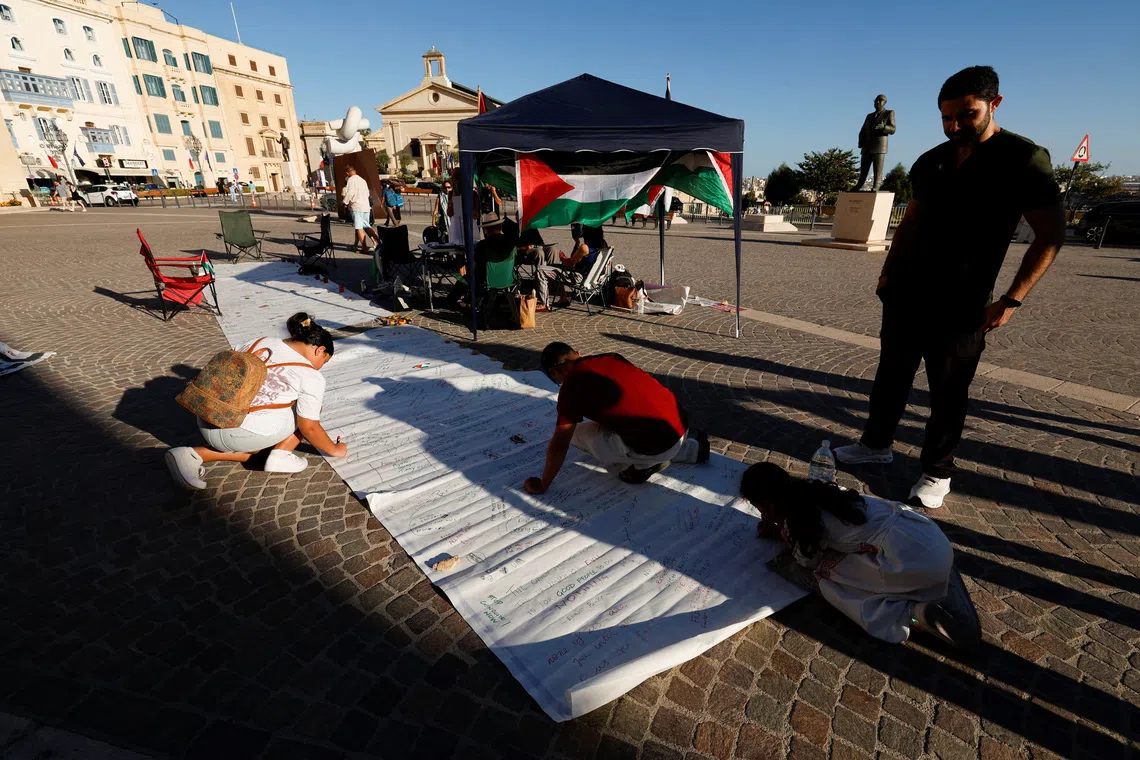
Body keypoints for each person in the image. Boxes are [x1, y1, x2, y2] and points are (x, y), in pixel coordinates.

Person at [833, 66, 1065, 509]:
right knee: (891, 376)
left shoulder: (1023, 158)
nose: (954, 125)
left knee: (948, 389)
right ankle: (876, 446)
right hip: (906, 292)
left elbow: (1051, 234)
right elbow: (912, 220)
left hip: (964, 302)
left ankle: (937, 471)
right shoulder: (932, 160)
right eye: (946, 117)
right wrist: (888, 273)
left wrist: (1012, 299)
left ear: (994, 105)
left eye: (966, 115)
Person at [740, 462, 979, 648]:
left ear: (769, 508)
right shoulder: (821, 491)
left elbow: (808, 559)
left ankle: (909, 614)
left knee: (827, 577)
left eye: (759, 509)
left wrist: (784, 535)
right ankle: (941, 588)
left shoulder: (801, 522)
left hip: (911, 563)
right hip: (930, 536)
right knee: (863, 556)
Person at [165, 313, 348, 490]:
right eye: (324, 361)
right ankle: (280, 454)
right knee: (310, 411)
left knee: (265, 445)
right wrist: (335, 450)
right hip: (237, 433)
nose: (320, 366)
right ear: (320, 350)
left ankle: (196, 455)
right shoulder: (311, 376)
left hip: (209, 415)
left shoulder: (262, 341)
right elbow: (309, 427)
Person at [525, 342, 710, 493]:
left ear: (553, 372)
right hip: (680, 425)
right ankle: (690, 450)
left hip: (657, 445)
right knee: (639, 426)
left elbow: (559, 444)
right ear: (578, 353)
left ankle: (641, 466)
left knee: (576, 435)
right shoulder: (610, 357)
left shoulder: (570, 389)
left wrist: (543, 484)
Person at [341, 164, 379, 254]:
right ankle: (380, 242)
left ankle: (364, 247)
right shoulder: (362, 180)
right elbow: (367, 193)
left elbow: (350, 193)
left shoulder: (350, 180)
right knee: (366, 226)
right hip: (365, 206)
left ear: (347, 173)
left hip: (357, 206)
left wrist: (345, 202)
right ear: (355, 170)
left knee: (359, 227)